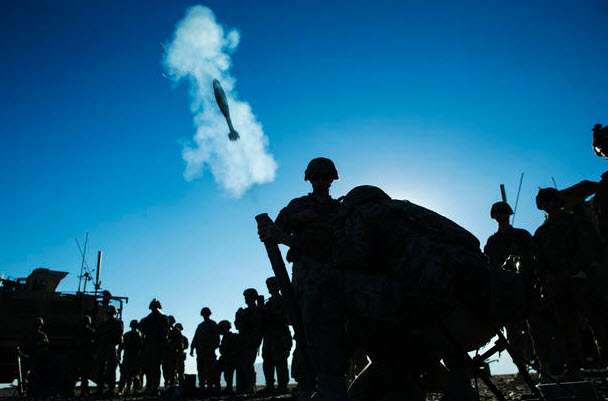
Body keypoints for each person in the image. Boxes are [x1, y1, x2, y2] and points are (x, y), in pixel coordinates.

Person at [257, 157, 347, 401]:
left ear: (332, 179)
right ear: (309, 179)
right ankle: (307, 384)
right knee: (305, 327)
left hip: (334, 275)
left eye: (325, 177)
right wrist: (293, 223)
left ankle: (333, 382)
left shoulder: (341, 209)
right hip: (306, 277)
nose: (321, 181)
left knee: (333, 329)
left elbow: (339, 242)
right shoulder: (297, 205)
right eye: (316, 176)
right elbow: (271, 232)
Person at [534, 187, 603, 379]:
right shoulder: (541, 232)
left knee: (597, 322)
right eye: (544, 201)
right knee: (566, 328)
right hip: (557, 284)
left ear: (559, 201)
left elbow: (588, 248)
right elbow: (538, 260)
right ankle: (574, 368)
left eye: (551, 200)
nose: (548, 204)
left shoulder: (575, 222)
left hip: (580, 278)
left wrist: (573, 269)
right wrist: (547, 278)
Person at [483, 201, 536, 366]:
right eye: (497, 213)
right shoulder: (492, 241)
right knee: (512, 332)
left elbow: (534, 256)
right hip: (506, 290)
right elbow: (489, 266)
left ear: (508, 213)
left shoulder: (521, 235)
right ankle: (521, 365)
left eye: (503, 212)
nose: (500, 215)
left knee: (535, 327)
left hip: (526, 284)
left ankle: (544, 364)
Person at [261, 276, 292, 394]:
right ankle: (269, 385)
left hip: (280, 334)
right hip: (269, 335)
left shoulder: (282, 300)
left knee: (280, 360)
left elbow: (285, 316)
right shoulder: (268, 302)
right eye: (269, 285)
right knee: (267, 360)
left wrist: (270, 313)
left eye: (272, 285)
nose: (270, 288)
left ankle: (282, 385)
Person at [235, 288, 263, 394]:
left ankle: (251, 386)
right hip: (244, 341)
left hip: (252, 341)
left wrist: (242, 316)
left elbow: (255, 324)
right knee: (245, 365)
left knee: (248, 365)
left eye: (248, 297)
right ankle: (248, 386)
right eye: (245, 297)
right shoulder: (246, 311)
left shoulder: (257, 310)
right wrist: (239, 316)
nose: (246, 299)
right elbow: (238, 326)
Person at [139, 298, 169, 394]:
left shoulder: (162, 318)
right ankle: (150, 385)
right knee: (148, 366)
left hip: (157, 345)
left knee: (155, 366)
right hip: (149, 344)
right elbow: (141, 326)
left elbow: (165, 333)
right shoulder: (149, 318)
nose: (154, 309)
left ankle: (154, 386)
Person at [95, 305, 124, 395]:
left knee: (105, 368)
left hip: (107, 347)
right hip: (108, 347)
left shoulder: (106, 324)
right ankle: (107, 388)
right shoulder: (117, 323)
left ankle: (104, 388)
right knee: (107, 368)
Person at [190, 307, 220, 392]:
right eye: (203, 314)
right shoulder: (200, 326)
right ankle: (202, 385)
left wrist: (212, 347)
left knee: (210, 369)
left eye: (206, 314)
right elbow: (195, 338)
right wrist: (192, 348)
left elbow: (217, 339)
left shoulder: (213, 324)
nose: (205, 316)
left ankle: (210, 385)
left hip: (209, 351)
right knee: (201, 368)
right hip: (200, 351)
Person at [72, 315, 96, 396]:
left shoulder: (77, 331)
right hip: (86, 355)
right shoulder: (91, 331)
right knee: (85, 374)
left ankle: (70, 390)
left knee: (75, 373)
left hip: (78, 354)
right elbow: (95, 342)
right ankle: (84, 391)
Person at [117, 320, 143, 394]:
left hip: (130, 357)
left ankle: (125, 389)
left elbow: (120, 346)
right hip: (133, 357)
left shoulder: (127, 335)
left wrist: (119, 355)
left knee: (126, 374)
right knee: (133, 374)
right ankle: (131, 389)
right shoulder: (139, 335)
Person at [217, 320, 242, 394]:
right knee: (216, 367)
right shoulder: (225, 338)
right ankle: (218, 387)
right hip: (226, 358)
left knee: (228, 370)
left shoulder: (233, 337)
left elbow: (237, 350)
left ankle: (229, 387)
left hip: (232, 359)